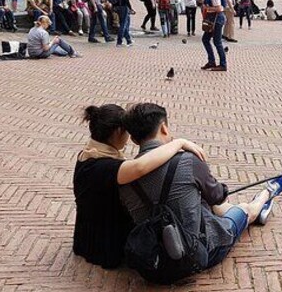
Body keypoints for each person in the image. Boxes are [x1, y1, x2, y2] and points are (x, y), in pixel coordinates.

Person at [119, 104, 282, 280]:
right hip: (198, 253)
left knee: (197, 202)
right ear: (164, 128)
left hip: (152, 260)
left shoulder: (124, 176)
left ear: (134, 140)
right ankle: (267, 194)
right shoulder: (187, 161)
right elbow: (218, 197)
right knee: (244, 209)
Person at [73, 104, 207, 269]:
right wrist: (178, 143)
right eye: (127, 132)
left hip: (86, 238)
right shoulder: (104, 167)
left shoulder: (87, 156)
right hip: (106, 246)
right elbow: (140, 167)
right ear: (117, 132)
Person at [199, 0, 227, 71]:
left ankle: (223, 64)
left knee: (217, 41)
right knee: (205, 39)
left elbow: (219, 8)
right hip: (213, 19)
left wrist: (208, 8)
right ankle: (211, 61)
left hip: (217, 19)